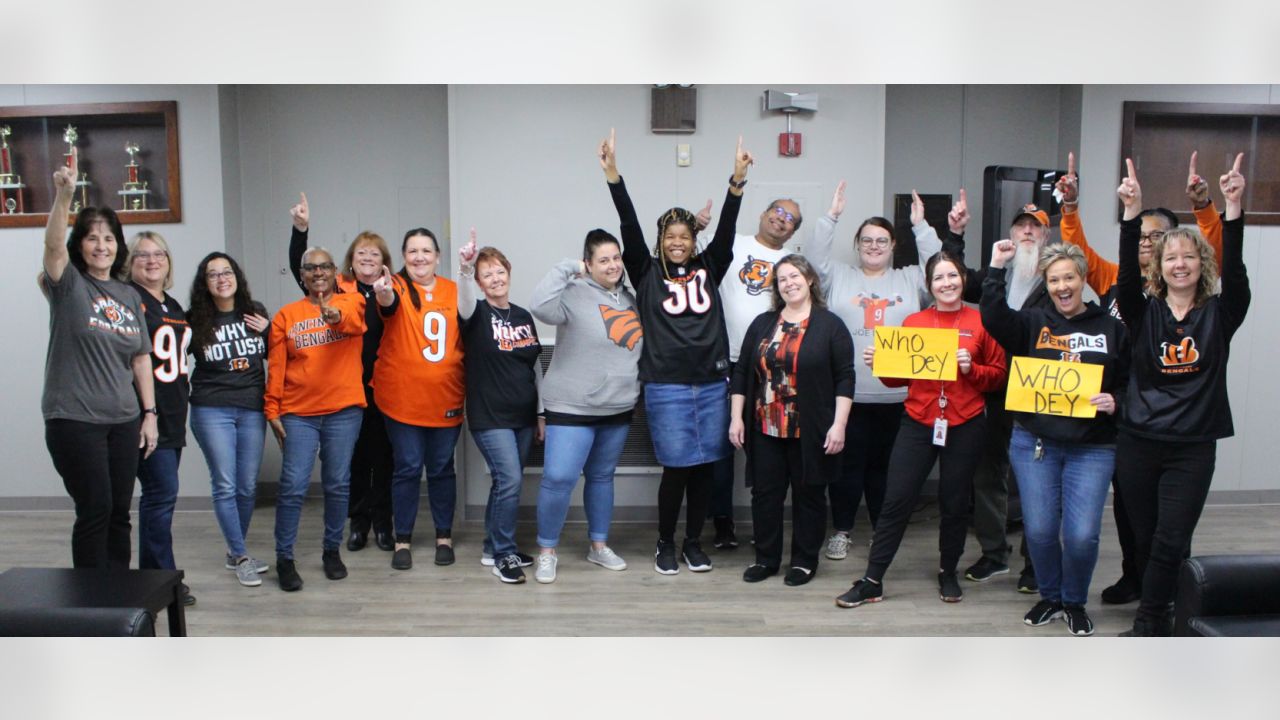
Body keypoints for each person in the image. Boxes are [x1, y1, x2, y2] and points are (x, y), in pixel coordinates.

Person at [1053, 150, 1223, 605]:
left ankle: (1168, 593)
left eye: (1158, 236)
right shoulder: (1117, 279)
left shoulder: (1189, 289)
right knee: (1131, 510)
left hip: (1170, 410)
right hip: (1116, 408)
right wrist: (1069, 207)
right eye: (1142, 236)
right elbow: (1082, 253)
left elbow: (1220, 254)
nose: (1148, 243)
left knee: (1171, 523)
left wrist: (1207, 206)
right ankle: (1136, 576)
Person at [600, 129, 751, 575]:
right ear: (661, 239)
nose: (679, 242)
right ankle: (665, 542)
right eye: (671, 235)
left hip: (711, 382)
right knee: (677, 469)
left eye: (685, 235)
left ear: (693, 240)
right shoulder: (644, 272)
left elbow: (725, 230)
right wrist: (613, 176)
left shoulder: (710, 265)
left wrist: (736, 183)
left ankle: (692, 543)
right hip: (665, 383)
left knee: (706, 468)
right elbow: (627, 222)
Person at [1114, 156, 1250, 636]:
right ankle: (1172, 607)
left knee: (1173, 538)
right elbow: (1126, 279)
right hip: (1138, 441)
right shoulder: (1140, 310)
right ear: (1159, 265)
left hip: (1192, 446)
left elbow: (1236, 274)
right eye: (1170, 257)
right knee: (1149, 539)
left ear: (1201, 264)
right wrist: (1131, 214)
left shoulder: (1222, 312)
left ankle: (1152, 621)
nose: (1178, 263)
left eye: (1188, 256)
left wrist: (1232, 207)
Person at [835, 251, 1006, 608]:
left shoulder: (982, 322)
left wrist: (971, 368)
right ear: (929, 286)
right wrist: (881, 362)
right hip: (918, 420)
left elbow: (998, 376)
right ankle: (872, 579)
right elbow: (896, 378)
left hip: (966, 422)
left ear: (962, 279)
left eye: (953, 276)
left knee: (955, 502)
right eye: (939, 278)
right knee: (896, 499)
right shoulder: (913, 322)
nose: (947, 283)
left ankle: (948, 571)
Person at [808, 181, 967, 562]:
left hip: (900, 398)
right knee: (845, 468)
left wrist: (920, 226)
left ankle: (884, 531)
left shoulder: (913, 278)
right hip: (849, 396)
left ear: (893, 245)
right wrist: (831, 216)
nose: (874, 246)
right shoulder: (839, 278)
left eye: (882, 240)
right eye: (866, 240)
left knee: (887, 470)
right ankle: (842, 531)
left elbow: (939, 263)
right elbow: (813, 259)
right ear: (858, 245)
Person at [980, 240, 1129, 636]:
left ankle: (1074, 600)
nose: (1062, 286)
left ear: (1083, 280)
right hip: (1035, 444)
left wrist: (1117, 401)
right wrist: (997, 267)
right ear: (1045, 284)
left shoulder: (1111, 329)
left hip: (1093, 447)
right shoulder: (1032, 323)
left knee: (1081, 535)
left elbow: (1131, 381)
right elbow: (993, 317)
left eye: (1069, 278)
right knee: (1041, 531)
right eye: (1053, 280)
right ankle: (1050, 596)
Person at [39, 149, 158, 570]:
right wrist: (64, 197)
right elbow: (53, 246)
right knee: (95, 508)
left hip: (123, 421)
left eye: (109, 238)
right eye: (92, 237)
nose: (102, 245)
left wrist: (149, 414)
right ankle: (90, 607)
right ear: (80, 245)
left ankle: (119, 600)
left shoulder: (128, 295)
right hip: (75, 419)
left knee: (119, 513)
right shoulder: (69, 285)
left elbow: (141, 359)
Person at [729, 254, 854, 586]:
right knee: (765, 495)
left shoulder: (831, 325)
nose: (789, 283)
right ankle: (766, 559)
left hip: (810, 428)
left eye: (795, 275)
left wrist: (839, 424)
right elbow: (742, 371)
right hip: (765, 426)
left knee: (809, 494)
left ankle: (803, 561)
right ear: (777, 287)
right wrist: (735, 419)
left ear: (810, 279)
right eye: (782, 279)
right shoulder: (762, 323)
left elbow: (845, 377)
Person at [528, 229, 641, 584]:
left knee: (602, 477)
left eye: (616, 258)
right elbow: (539, 306)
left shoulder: (631, 298)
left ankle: (598, 546)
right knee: (559, 478)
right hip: (572, 405)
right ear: (588, 263)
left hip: (618, 406)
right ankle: (547, 550)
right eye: (602, 259)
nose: (612, 265)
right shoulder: (573, 293)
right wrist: (568, 267)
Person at [289, 193, 396, 553]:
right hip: (346, 389)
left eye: (375, 254)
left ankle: (384, 524)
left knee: (383, 459)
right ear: (350, 260)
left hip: (384, 386)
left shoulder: (390, 289)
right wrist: (301, 231)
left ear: (384, 262)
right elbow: (303, 271)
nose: (367, 259)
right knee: (353, 460)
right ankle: (358, 524)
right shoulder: (338, 288)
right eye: (361, 254)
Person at [698, 192, 804, 550]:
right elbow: (693, 258)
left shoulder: (791, 265)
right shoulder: (735, 245)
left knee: (764, 445)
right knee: (721, 444)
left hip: (769, 365)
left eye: (789, 218)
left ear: (793, 231)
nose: (781, 218)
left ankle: (765, 523)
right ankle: (723, 522)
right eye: (777, 211)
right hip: (723, 360)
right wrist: (698, 225)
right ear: (762, 213)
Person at [956, 204, 1053, 592]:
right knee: (988, 472)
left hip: (1041, 391)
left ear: (1046, 235)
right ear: (1011, 235)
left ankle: (1036, 562)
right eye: (1021, 226)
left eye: (1036, 227)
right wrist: (956, 234)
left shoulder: (1059, 276)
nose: (1027, 232)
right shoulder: (996, 274)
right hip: (995, 387)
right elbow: (954, 278)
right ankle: (994, 553)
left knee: (1039, 479)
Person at [266, 246, 367, 591]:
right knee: (293, 486)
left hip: (343, 411)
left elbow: (352, 322)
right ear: (302, 274)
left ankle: (331, 551)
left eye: (325, 266)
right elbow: (277, 367)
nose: (318, 272)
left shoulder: (350, 300)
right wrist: (272, 409)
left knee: (337, 484)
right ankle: (284, 558)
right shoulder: (286, 316)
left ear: (335, 271)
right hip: (298, 414)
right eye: (311, 268)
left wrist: (333, 316)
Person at [371, 228, 465, 571]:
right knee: (408, 467)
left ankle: (444, 537)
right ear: (404, 256)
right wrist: (381, 294)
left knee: (441, 468)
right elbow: (388, 305)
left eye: (426, 250)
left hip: (445, 397)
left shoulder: (453, 291)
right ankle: (403, 539)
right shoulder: (392, 285)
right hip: (402, 401)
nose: (420, 257)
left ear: (438, 256)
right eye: (412, 251)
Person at [457, 231, 544, 584]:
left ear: (509, 272)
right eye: (486, 274)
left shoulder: (523, 316)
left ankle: (493, 546)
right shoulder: (474, 314)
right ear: (479, 283)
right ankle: (504, 554)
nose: (495, 278)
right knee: (509, 479)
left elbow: (534, 367)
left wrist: (540, 414)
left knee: (504, 484)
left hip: (523, 416)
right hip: (489, 416)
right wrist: (464, 269)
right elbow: (462, 302)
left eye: (499, 271)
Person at [187, 252, 272, 588]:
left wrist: (269, 333)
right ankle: (240, 556)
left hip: (251, 407)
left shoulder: (256, 313)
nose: (222, 279)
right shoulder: (194, 320)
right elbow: (168, 360)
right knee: (225, 483)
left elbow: (277, 355)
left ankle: (234, 550)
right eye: (213, 274)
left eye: (227, 272)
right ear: (204, 283)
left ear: (237, 277)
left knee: (247, 485)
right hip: (211, 408)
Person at [125, 231, 195, 606]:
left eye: (159, 254)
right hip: (144, 414)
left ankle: (155, 577)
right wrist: (146, 413)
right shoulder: (128, 299)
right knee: (160, 496)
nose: (152, 261)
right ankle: (161, 580)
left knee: (161, 497)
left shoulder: (170, 302)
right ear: (129, 262)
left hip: (172, 411)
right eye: (142, 255)